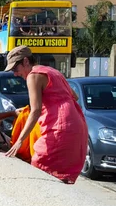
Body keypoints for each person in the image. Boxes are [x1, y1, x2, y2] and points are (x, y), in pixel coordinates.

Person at [5, 46, 87, 184]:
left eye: (15, 69)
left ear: (25, 61)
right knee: (60, 174)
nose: (15, 74)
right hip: (76, 124)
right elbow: (75, 96)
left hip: (60, 128)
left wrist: (19, 141)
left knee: (39, 166)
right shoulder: (52, 71)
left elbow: (35, 110)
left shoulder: (33, 76)